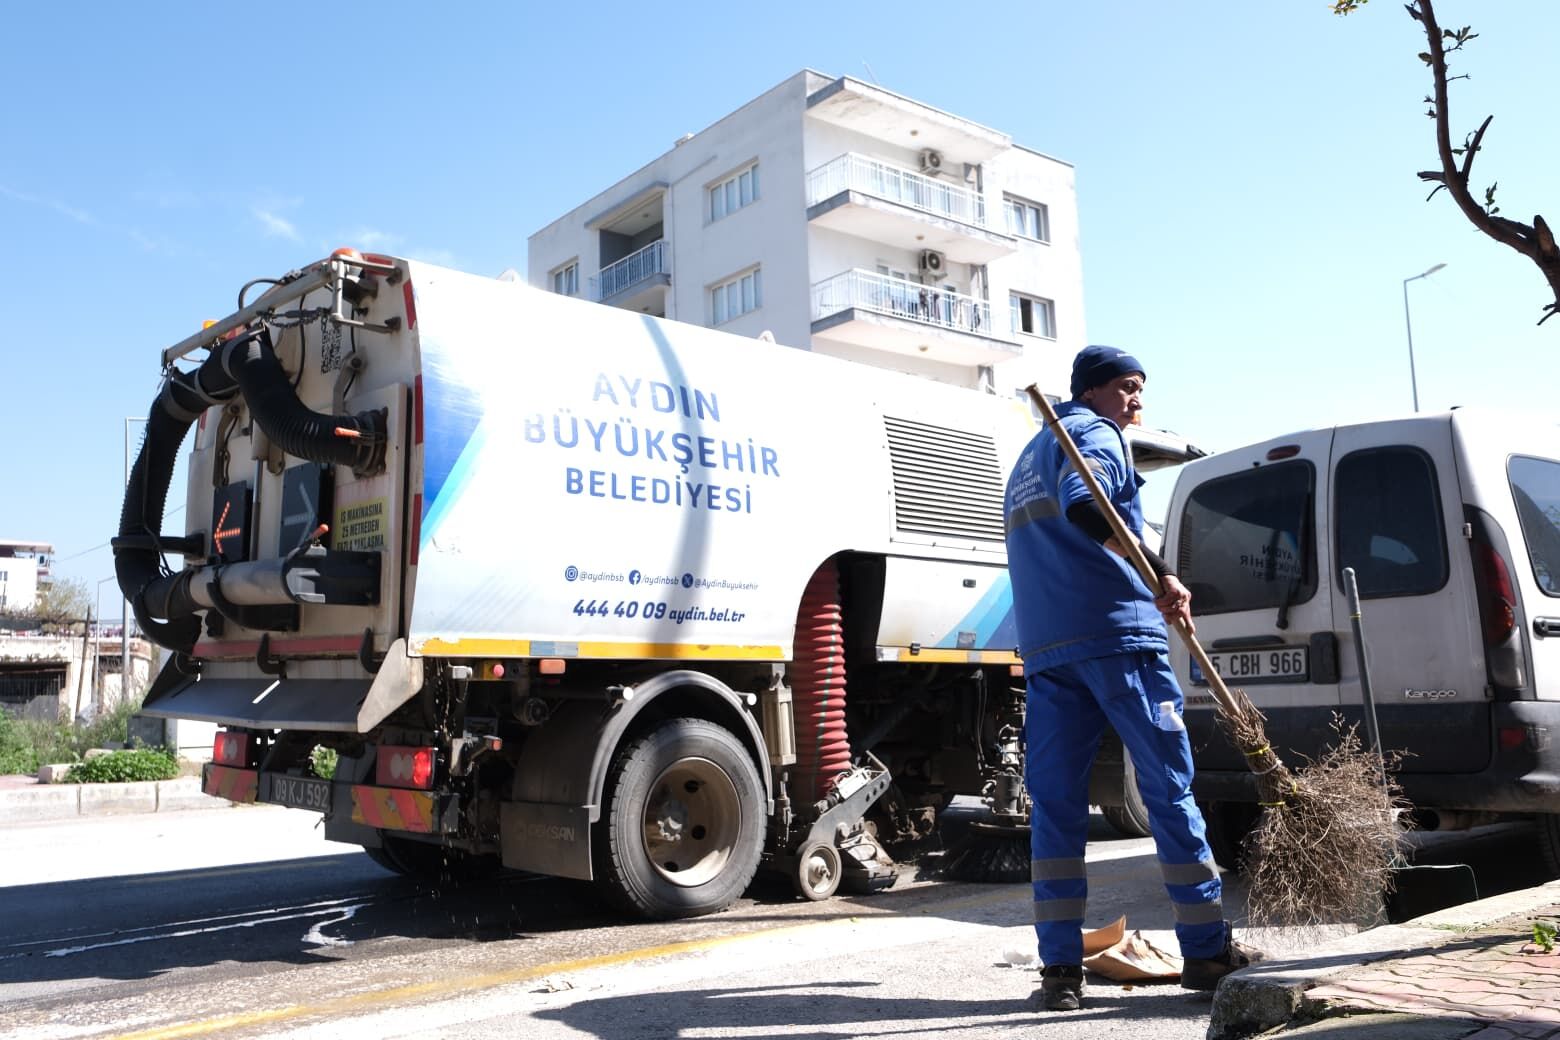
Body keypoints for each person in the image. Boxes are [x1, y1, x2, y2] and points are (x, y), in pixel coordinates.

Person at [1005, 345, 1258, 1012]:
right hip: (1117, 635)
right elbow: (1091, 511)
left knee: (1057, 805)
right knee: (1168, 789)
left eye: (1140, 390)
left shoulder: (1029, 458)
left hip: (1050, 648)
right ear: (1091, 392)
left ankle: (1059, 971)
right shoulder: (1096, 433)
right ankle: (1205, 948)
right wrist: (1161, 571)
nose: (1137, 401)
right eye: (1126, 387)